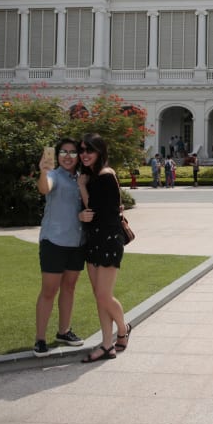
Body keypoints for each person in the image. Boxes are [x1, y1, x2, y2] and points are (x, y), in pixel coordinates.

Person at [77, 133, 131, 363]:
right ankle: (107, 345)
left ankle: (123, 328)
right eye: (82, 150)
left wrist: (81, 187)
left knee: (103, 294)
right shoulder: (91, 176)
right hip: (93, 240)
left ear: (100, 152)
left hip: (109, 240)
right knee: (99, 297)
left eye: (90, 150)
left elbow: (95, 209)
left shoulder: (105, 176)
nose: (84, 154)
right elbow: (86, 214)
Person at [33, 138, 86, 357]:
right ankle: (40, 339)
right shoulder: (53, 175)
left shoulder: (82, 178)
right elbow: (45, 189)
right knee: (49, 290)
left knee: (70, 287)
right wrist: (43, 172)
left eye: (72, 153)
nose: (67, 156)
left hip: (77, 242)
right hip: (53, 241)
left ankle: (64, 331)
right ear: (57, 155)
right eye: (63, 152)